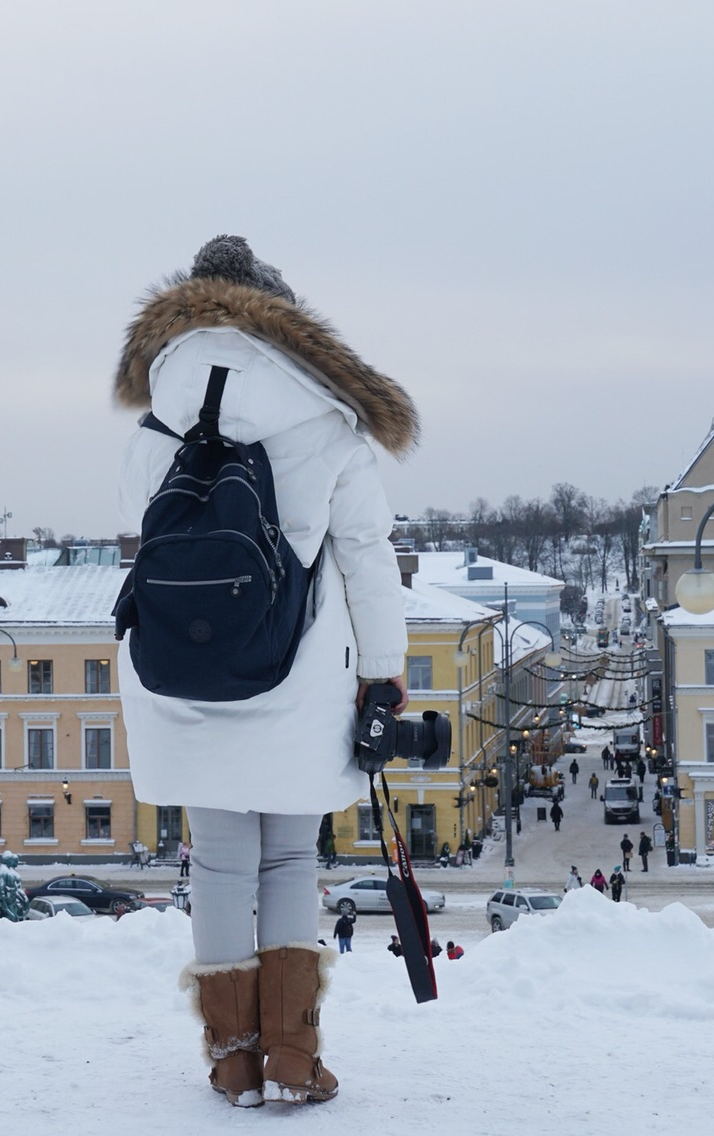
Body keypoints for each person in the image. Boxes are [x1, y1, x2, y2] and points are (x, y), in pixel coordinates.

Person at [115, 236, 417, 1110]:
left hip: (180, 672)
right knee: (288, 856)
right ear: (280, 316)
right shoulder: (326, 418)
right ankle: (293, 1052)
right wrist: (385, 673)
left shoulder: (155, 421)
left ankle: (230, 1057)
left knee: (216, 863)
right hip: (298, 674)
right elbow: (365, 555)